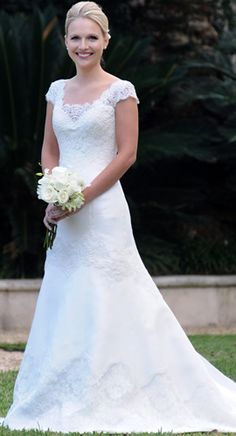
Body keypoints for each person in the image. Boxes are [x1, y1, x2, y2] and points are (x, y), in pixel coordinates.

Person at [1, 1, 236, 433]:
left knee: (113, 294)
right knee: (67, 293)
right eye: (76, 37)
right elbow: (49, 151)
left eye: (92, 37)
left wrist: (82, 196)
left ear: (106, 41)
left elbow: (126, 154)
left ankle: (121, 388)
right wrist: (54, 193)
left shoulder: (121, 90)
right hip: (65, 211)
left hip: (104, 207)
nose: (83, 45)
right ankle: (62, 390)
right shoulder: (56, 90)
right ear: (66, 42)